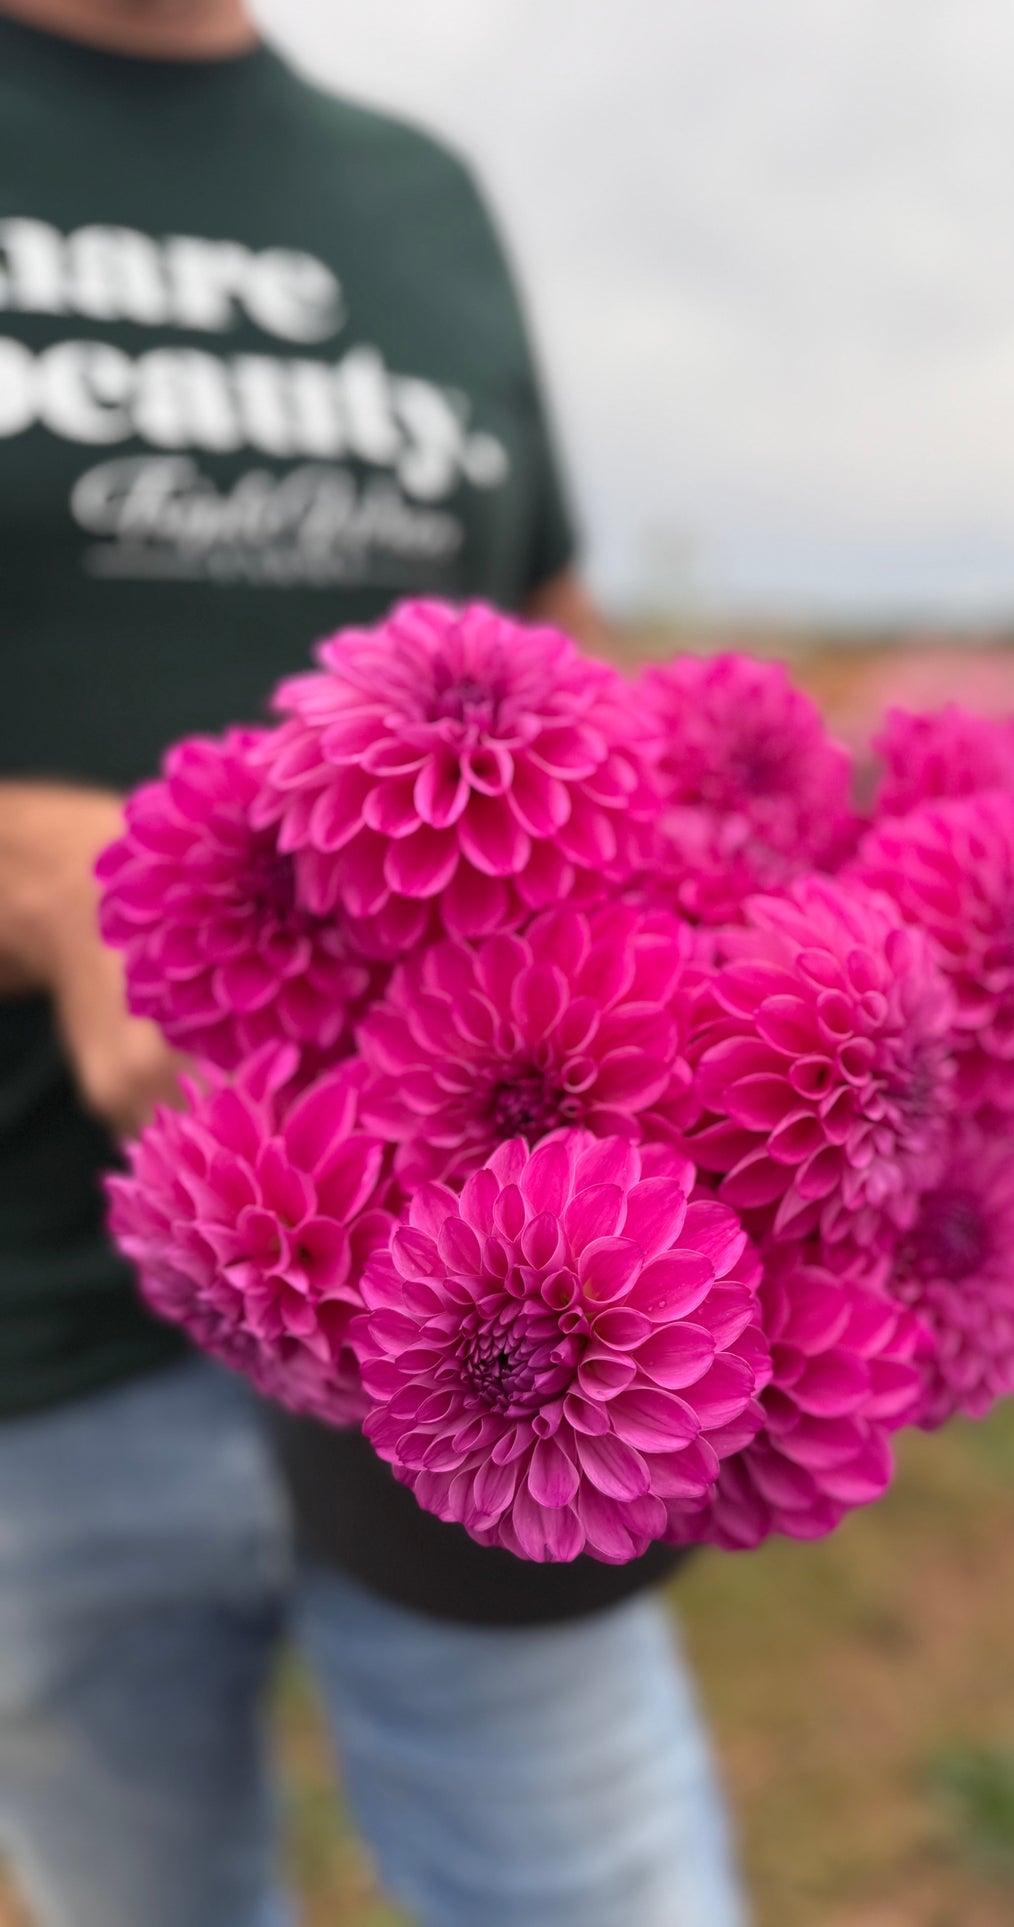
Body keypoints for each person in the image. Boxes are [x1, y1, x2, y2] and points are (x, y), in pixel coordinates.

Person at [0, 2, 747, 1921]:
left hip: (507, 1319)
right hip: (39, 1344)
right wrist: (58, 871)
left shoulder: (414, 199)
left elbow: (567, 661)